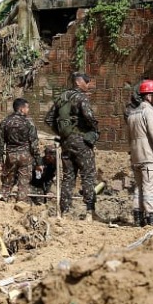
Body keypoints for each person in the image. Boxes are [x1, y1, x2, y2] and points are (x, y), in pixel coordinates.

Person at [46, 72, 100, 218]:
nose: (88, 85)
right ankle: (90, 211)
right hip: (81, 141)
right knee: (87, 174)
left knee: (68, 176)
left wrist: (63, 133)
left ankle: (65, 212)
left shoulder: (62, 97)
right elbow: (89, 116)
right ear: (78, 82)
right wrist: (94, 129)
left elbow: (49, 119)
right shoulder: (81, 97)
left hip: (66, 142)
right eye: (86, 82)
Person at [128, 79, 153, 226]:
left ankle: (138, 216)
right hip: (148, 156)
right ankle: (151, 216)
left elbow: (130, 137)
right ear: (148, 96)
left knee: (139, 187)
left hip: (136, 156)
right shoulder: (149, 111)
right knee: (151, 185)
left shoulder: (132, 113)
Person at [0, 98, 39, 203]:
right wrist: (38, 161)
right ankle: (21, 204)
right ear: (21, 109)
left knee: (7, 181)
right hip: (25, 156)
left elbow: (0, 144)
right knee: (23, 183)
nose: (28, 110)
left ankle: (2, 201)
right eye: (27, 107)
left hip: (10, 155)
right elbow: (34, 144)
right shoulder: (29, 122)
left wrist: (0, 161)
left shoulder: (5, 122)